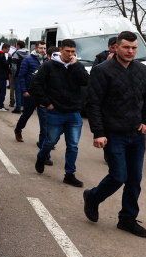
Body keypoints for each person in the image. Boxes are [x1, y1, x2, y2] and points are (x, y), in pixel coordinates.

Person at [83, 31, 146, 238]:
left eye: (134, 48)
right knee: (118, 176)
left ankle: (127, 219)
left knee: (135, 179)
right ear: (116, 47)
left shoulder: (142, 70)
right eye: (126, 47)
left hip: (137, 135)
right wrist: (98, 132)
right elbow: (93, 103)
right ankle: (93, 197)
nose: (130, 51)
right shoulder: (102, 71)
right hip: (114, 134)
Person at [32, 39, 89, 187]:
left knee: (73, 145)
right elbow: (36, 84)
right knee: (51, 140)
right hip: (55, 110)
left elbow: (86, 81)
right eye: (67, 51)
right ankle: (42, 156)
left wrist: (75, 65)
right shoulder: (49, 66)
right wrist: (47, 103)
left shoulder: (77, 65)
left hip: (74, 112)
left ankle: (69, 174)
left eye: (73, 51)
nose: (70, 54)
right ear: (61, 50)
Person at [13, 41, 46, 144]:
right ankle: (18, 130)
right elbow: (21, 76)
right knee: (27, 113)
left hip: (42, 93)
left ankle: (45, 140)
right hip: (30, 91)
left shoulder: (46, 60)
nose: (43, 50)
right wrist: (24, 90)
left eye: (44, 48)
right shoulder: (28, 60)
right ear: (35, 48)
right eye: (41, 48)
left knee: (44, 116)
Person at [11, 40, 30, 114]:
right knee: (25, 91)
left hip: (18, 75)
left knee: (18, 92)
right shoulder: (29, 53)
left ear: (18, 46)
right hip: (27, 75)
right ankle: (25, 108)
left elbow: (14, 66)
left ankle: (18, 108)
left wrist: (13, 74)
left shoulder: (16, 54)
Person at [0, 43, 11, 111]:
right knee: (2, 91)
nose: (8, 51)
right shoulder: (2, 56)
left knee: (1, 91)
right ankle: (0, 106)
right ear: (4, 48)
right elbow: (5, 64)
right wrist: (9, 59)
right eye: (8, 49)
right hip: (2, 76)